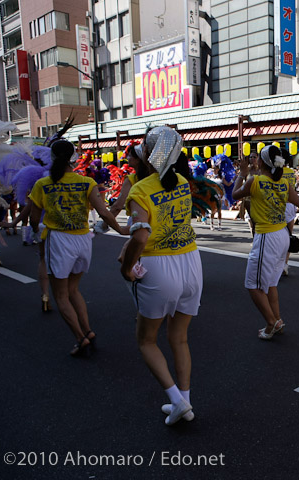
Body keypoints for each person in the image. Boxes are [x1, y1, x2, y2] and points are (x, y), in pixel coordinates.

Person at [117, 127, 201, 425]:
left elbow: (140, 237)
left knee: (146, 341)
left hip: (159, 267)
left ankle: (177, 401)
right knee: (180, 338)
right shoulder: (181, 180)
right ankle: (185, 401)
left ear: (148, 155)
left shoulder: (140, 189)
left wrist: (127, 268)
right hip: (191, 263)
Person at [29, 140, 123, 356]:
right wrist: (120, 229)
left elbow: (34, 219)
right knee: (74, 290)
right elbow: (104, 212)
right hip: (83, 240)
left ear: (51, 157)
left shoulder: (42, 184)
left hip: (59, 241)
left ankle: (81, 339)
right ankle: (88, 331)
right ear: (73, 158)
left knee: (61, 295)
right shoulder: (87, 182)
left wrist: (35, 232)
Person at [232, 145, 299, 339]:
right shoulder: (283, 183)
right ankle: (277, 319)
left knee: (253, 285)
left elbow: (235, 194)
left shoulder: (255, 181)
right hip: (282, 235)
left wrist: (242, 174)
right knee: (271, 283)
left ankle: (272, 323)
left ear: (261, 162)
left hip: (266, 236)